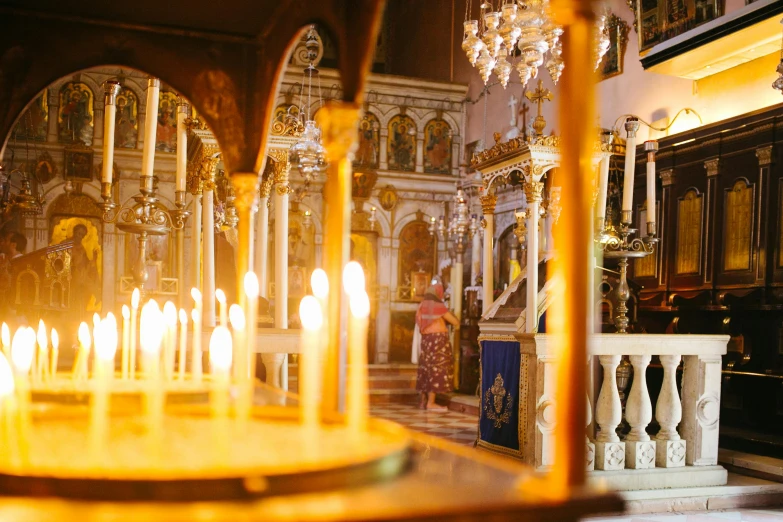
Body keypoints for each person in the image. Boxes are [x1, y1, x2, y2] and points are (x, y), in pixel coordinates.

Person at [414, 282, 459, 411]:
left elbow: (419, 322)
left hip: (426, 341)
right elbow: (455, 322)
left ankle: (423, 401)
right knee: (436, 369)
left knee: (426, 369)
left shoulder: (421, 306)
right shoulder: (438, 306)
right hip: (438, 341)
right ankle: (431, 403)